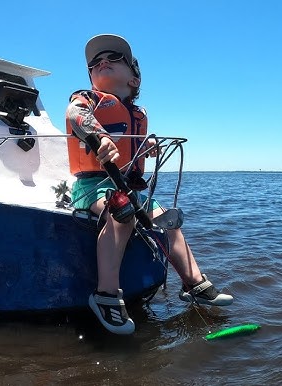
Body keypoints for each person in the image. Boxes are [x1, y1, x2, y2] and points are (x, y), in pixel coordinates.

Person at [65, 34, 233, 335]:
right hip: (93, 185)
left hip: (128, 186)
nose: (102, 61)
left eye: (115, 58)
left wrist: (148, 144)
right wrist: (100, 136)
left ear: (134, 78)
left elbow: (134, 146)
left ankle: (193, 282)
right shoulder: (86, 99)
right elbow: (75, 115)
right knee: (122, 212)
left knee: (169, 219)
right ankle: (105, 295)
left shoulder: (139, 114)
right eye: (95, 62)